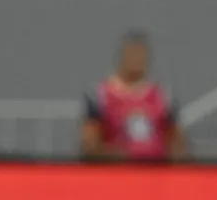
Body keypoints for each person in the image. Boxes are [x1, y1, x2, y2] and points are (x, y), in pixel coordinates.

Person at [80, 31, 188, 162]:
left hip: (156, 175)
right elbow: (89, 146)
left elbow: (177, 142)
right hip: (117, 174)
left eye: (140, 54)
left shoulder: (163, 96)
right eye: (132, 53)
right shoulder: (100, 96)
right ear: (123, 56)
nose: (136, 59)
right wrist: (120, 155)